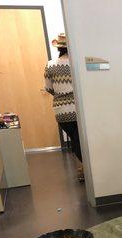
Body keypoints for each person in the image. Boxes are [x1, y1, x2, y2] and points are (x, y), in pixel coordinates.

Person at [44, 33, 84, 181]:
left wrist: (61, 93)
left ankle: (82, 169)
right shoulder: (77, 63)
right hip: (78, 108)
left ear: (59, 48)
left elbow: (48, 88)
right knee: (81, 140)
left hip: (61, 111)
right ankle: (87, 169)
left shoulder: (50, 65)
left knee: (75, 140)